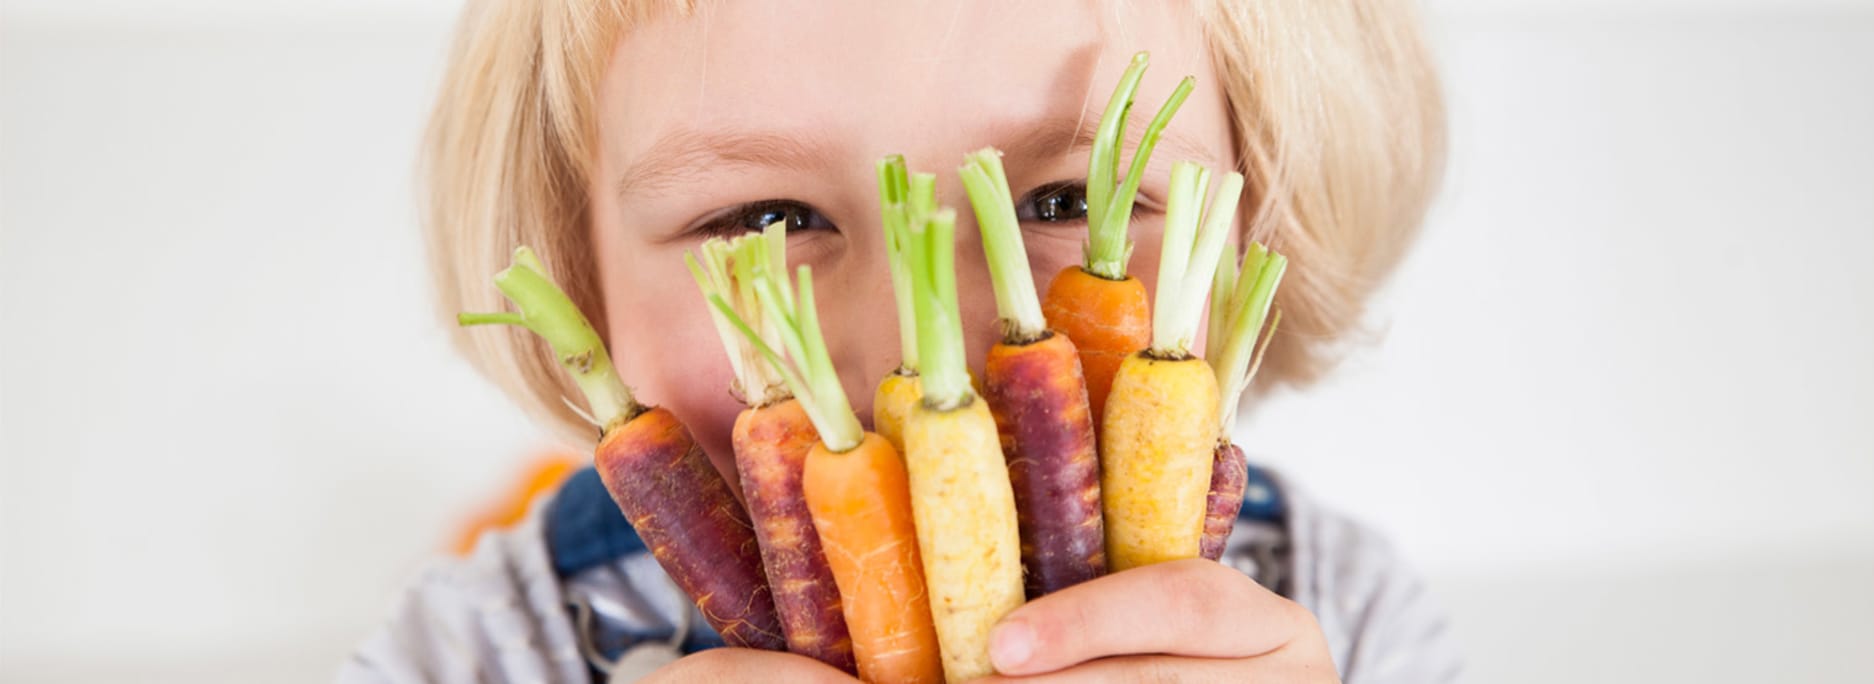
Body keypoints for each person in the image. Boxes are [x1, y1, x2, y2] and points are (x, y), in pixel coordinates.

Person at [345, 1, 1455, 681]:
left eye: (1065, 202)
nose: (917, 360)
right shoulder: (476, 650)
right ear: (579, 279)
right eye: (766, 221)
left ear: (1259, 232)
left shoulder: (1344, 622)